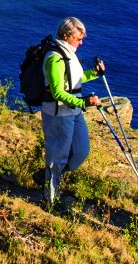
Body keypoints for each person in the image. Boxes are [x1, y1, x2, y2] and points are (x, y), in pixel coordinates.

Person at [38, 16, 104, 206]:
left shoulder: (69, 53)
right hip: (57, 113)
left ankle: (48, 178)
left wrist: (94, 73)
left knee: (81, 151)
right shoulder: (54, 58)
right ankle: (50, 198)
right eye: (78, 38)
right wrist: (84, 102)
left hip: (73, 111)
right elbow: (58, 91)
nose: (81, 43)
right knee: (58, 155)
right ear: (66, 35)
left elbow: (75, 79)